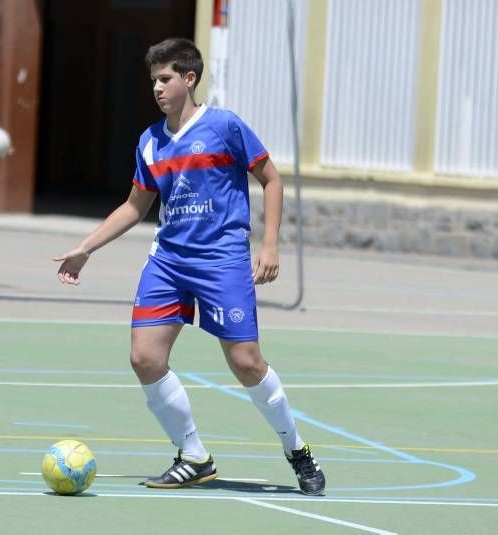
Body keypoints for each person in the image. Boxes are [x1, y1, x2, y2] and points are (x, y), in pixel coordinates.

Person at [53, 38, 325, 495]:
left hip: (222, 258)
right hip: (169, 261)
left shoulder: (225, 126)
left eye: (165, 79)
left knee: (245, 362)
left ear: (190, 78)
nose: (157, 88)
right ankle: (194, 456)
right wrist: (86, 248)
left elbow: (271, 180)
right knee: (145, 357)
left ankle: (297, 450)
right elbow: (135, 205)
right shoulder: (150, 141)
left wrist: (271, 245)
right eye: (153, 81)